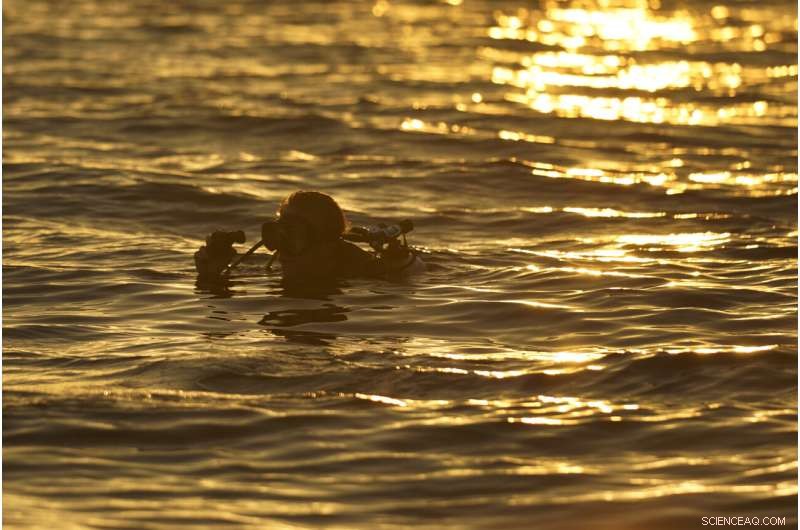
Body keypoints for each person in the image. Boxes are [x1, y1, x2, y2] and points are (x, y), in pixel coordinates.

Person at [194, 190, 424, 283]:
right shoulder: (275, 272)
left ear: (328, 242)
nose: (282, 249)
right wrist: (211, 275)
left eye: (293, 235)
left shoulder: (365, 273)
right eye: (277, 235)